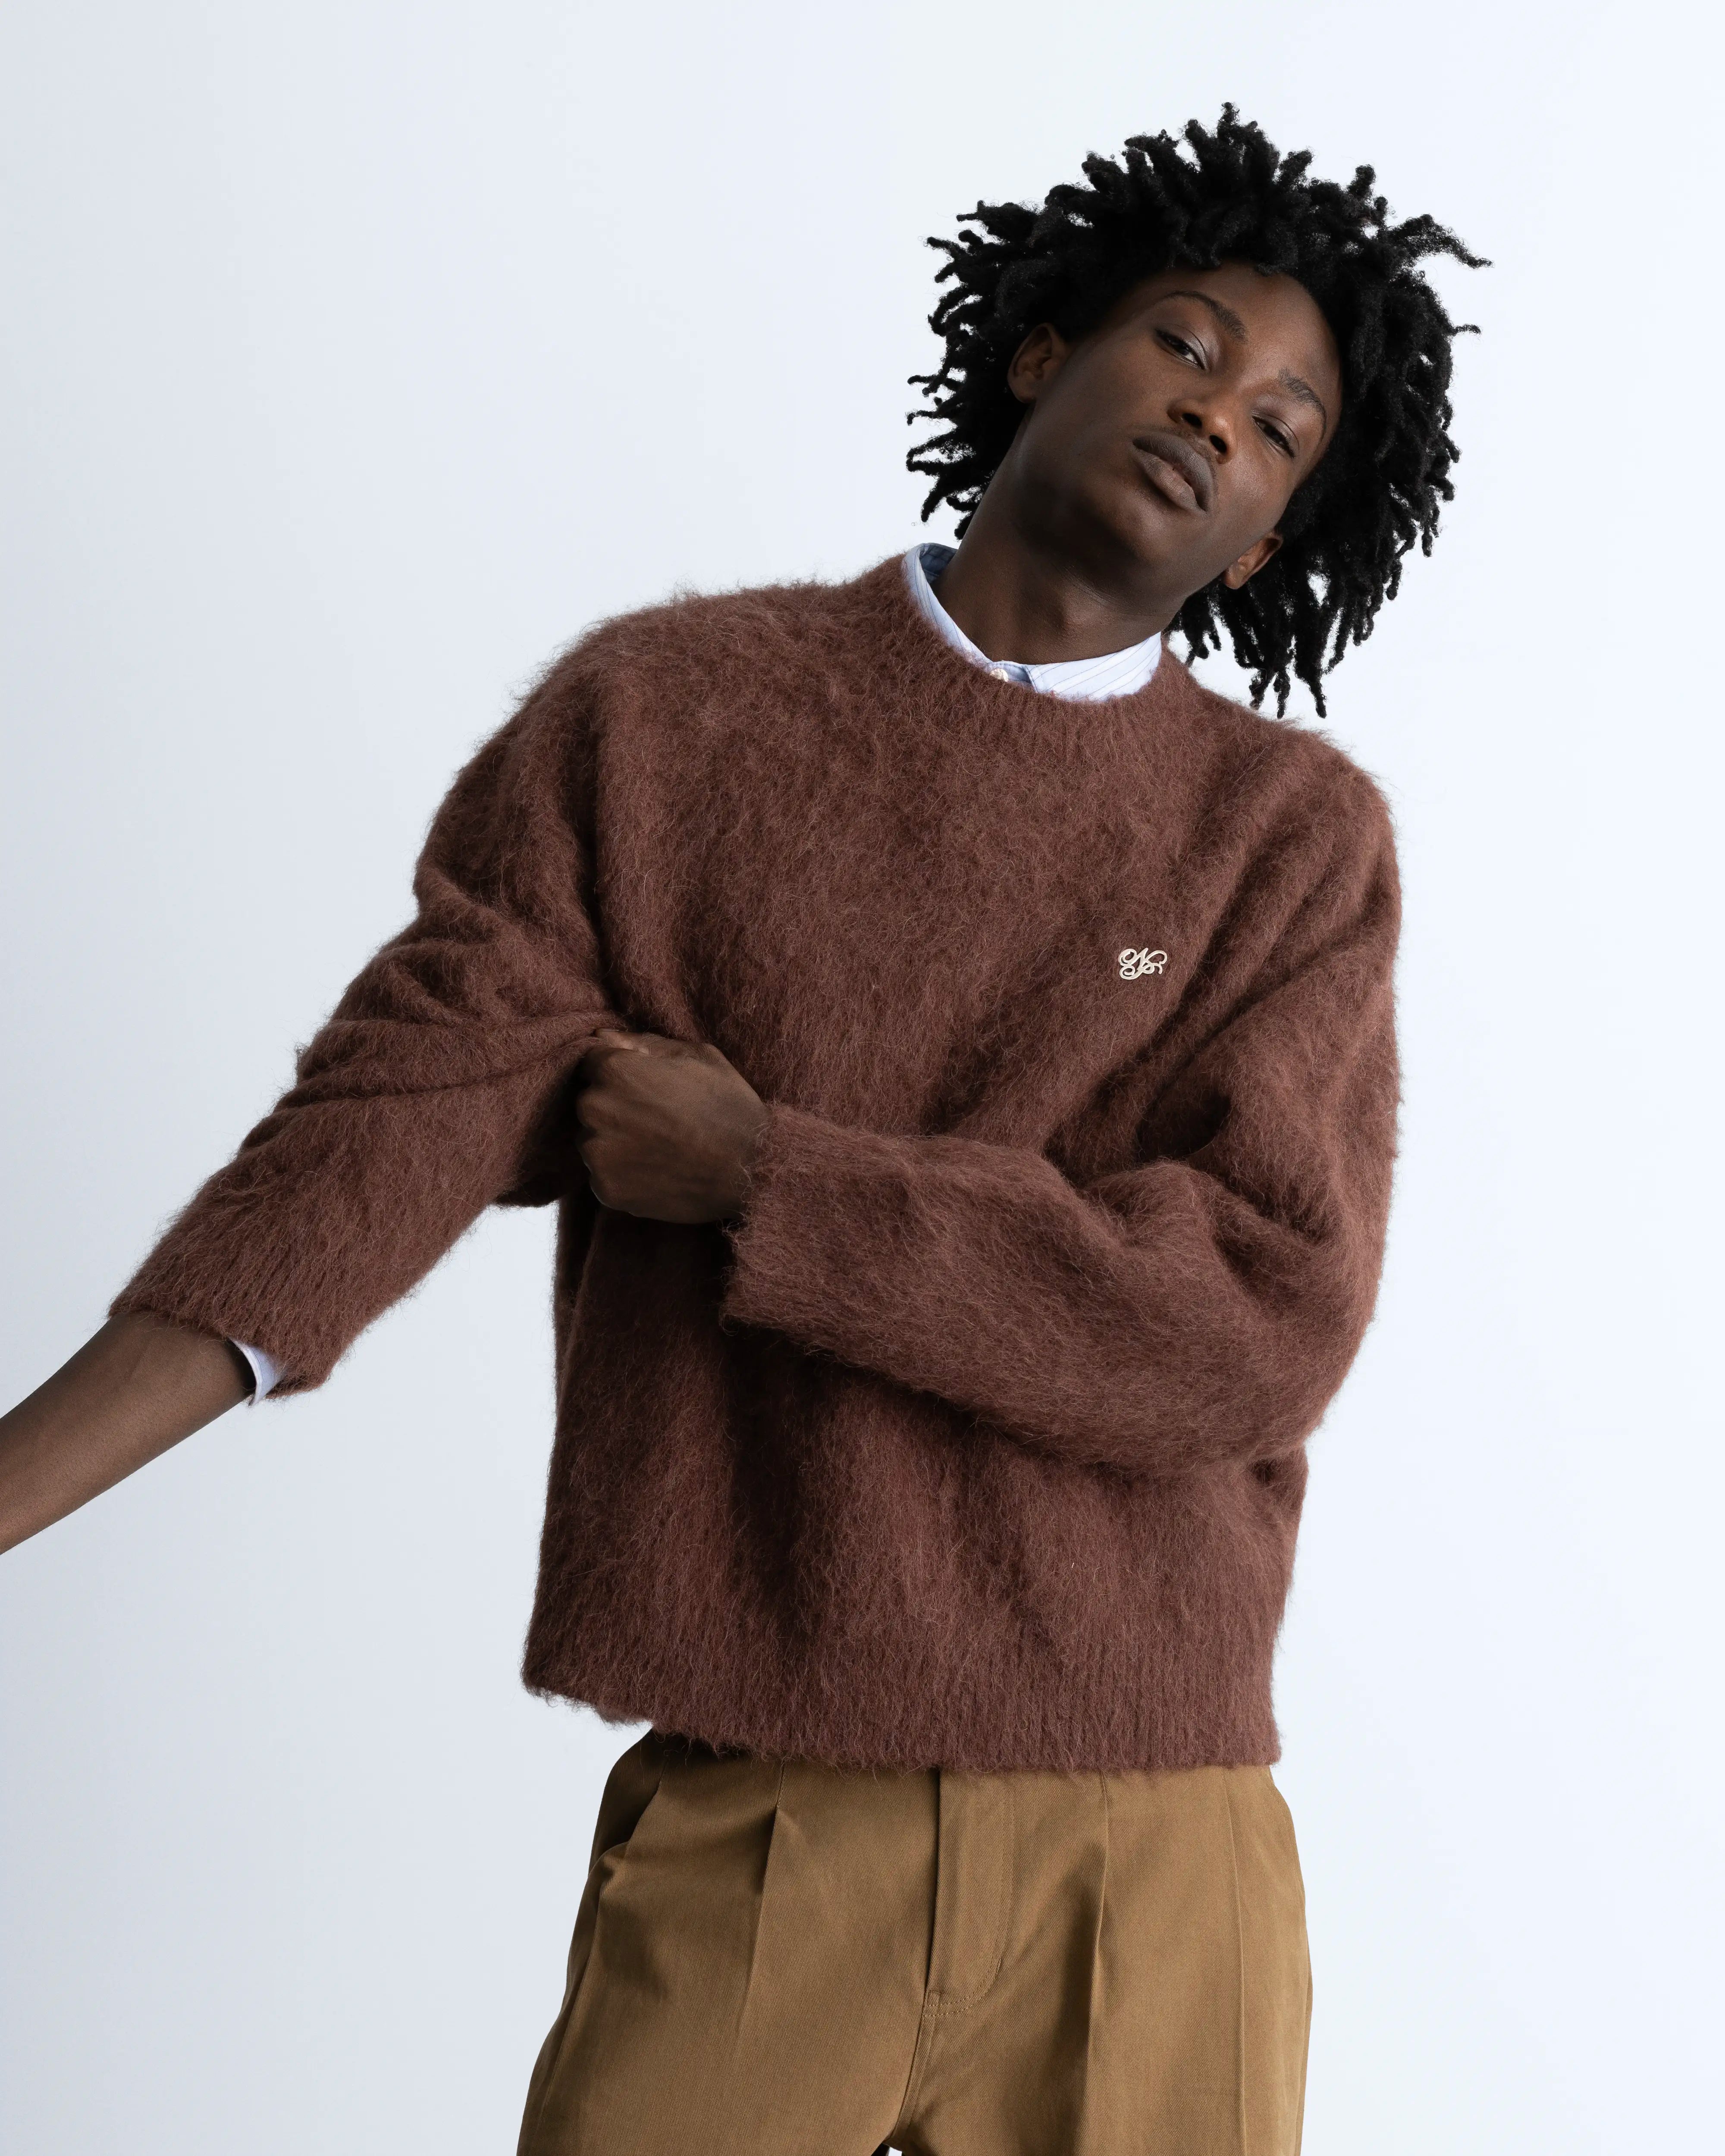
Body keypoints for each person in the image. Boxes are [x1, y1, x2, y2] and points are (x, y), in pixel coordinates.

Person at [0, 108, 1481, 2156]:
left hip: (1152, 1848)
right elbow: (373, 1143)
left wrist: (775, 1184)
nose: (1219, 416)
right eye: (1187, 343)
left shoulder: (1289, 843)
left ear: (1260, 545)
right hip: (767, 1802)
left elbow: (1251, 1320)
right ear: (1043, 347)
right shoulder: (664, 718)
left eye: (1280, 431)